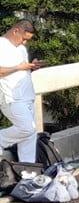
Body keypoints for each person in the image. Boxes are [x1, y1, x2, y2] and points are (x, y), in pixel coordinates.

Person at [0, 20, 43, 162]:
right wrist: (18, 67)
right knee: (27, 129)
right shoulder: (2, 45)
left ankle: (28, 172)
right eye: (24, 39)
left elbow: (23, 68)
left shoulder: (21, 48)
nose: (24, 43)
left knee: (30, 136)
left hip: (27, 95)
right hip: (11, 97)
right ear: (15, 31)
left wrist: (32, 66)